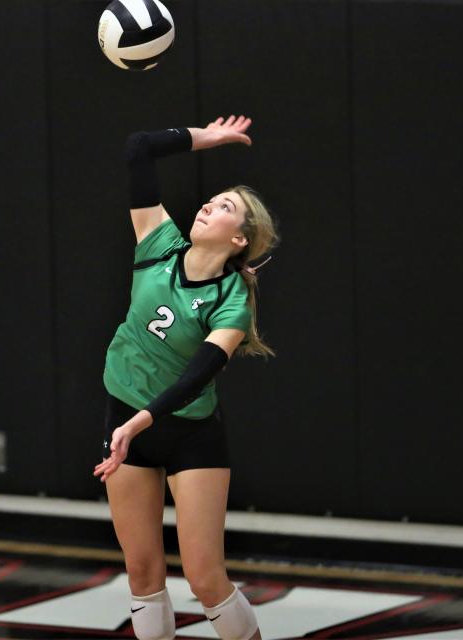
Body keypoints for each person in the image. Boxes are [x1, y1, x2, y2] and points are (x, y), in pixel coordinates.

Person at [92, 115, 278, 640]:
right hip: (124, 412)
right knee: (143, 574)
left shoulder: (232, 302)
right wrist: (207, 138)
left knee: (204, 576)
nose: (207, 205)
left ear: (240, 238)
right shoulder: (159, 242)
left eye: (225, 207)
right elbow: (137, 146)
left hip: (187, 432)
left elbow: (198, 377)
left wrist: (139, 424)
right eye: (211, 198)